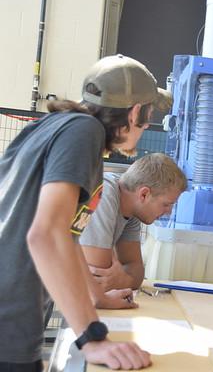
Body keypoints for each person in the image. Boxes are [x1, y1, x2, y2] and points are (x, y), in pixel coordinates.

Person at [0, 54, 170, 371]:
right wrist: (92, 338)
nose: (146, 126)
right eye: (148, 116)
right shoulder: (84, 132)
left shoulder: (53, 127)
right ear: (135, 112)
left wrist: (98, 297)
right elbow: (46, 235)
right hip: (8, 323)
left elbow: (68, 236)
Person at [81, 153, 187, 292]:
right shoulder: (104, 194)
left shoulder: (132, 210)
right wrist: (124, 279)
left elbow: (136, 271)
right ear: (144, 194)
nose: (169, 212)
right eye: (166, 204)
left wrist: (122, 279)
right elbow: (98, 278)